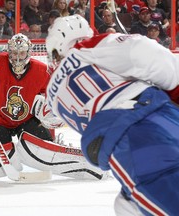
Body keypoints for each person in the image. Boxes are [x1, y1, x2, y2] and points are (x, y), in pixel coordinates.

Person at [45, 14, 179, 215]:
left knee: (137, 201)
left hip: (123, 147)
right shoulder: (90, 47)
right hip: (150, 125)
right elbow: (144, 52)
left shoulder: (52, 96)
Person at [0, 33, 107, 181]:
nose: (17, 57)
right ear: (8, 51)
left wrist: (49, 109)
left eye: (21, 52)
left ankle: (85, 160)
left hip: (27, 120)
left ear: (29, 52)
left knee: (44, 148)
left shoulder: (43, 70)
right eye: (14, 52)